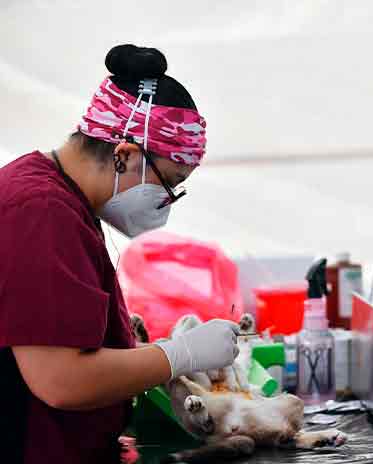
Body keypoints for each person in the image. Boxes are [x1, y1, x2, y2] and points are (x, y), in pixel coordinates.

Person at [0, 45, 241, 463]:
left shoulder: (63, 200)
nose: (167, 202)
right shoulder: (40, 211)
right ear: (124, 155)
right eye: (170, 183)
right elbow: (61, 381)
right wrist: (176, 356)